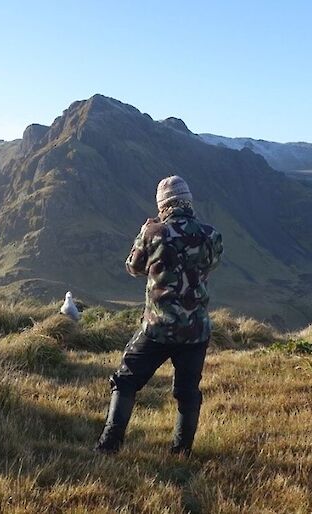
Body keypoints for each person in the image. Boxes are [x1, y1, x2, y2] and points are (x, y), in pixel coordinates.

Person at [94, 175, 223, 456]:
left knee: (126, 380)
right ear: (187, 201)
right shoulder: (210, 234)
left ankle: (108, 445)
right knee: (188, 392)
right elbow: (211, 264)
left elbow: (133, 267)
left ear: (163, 204)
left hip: (158, 327)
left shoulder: (153, 233)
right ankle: (181, 452)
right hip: (196, 330)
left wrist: (144, 233)